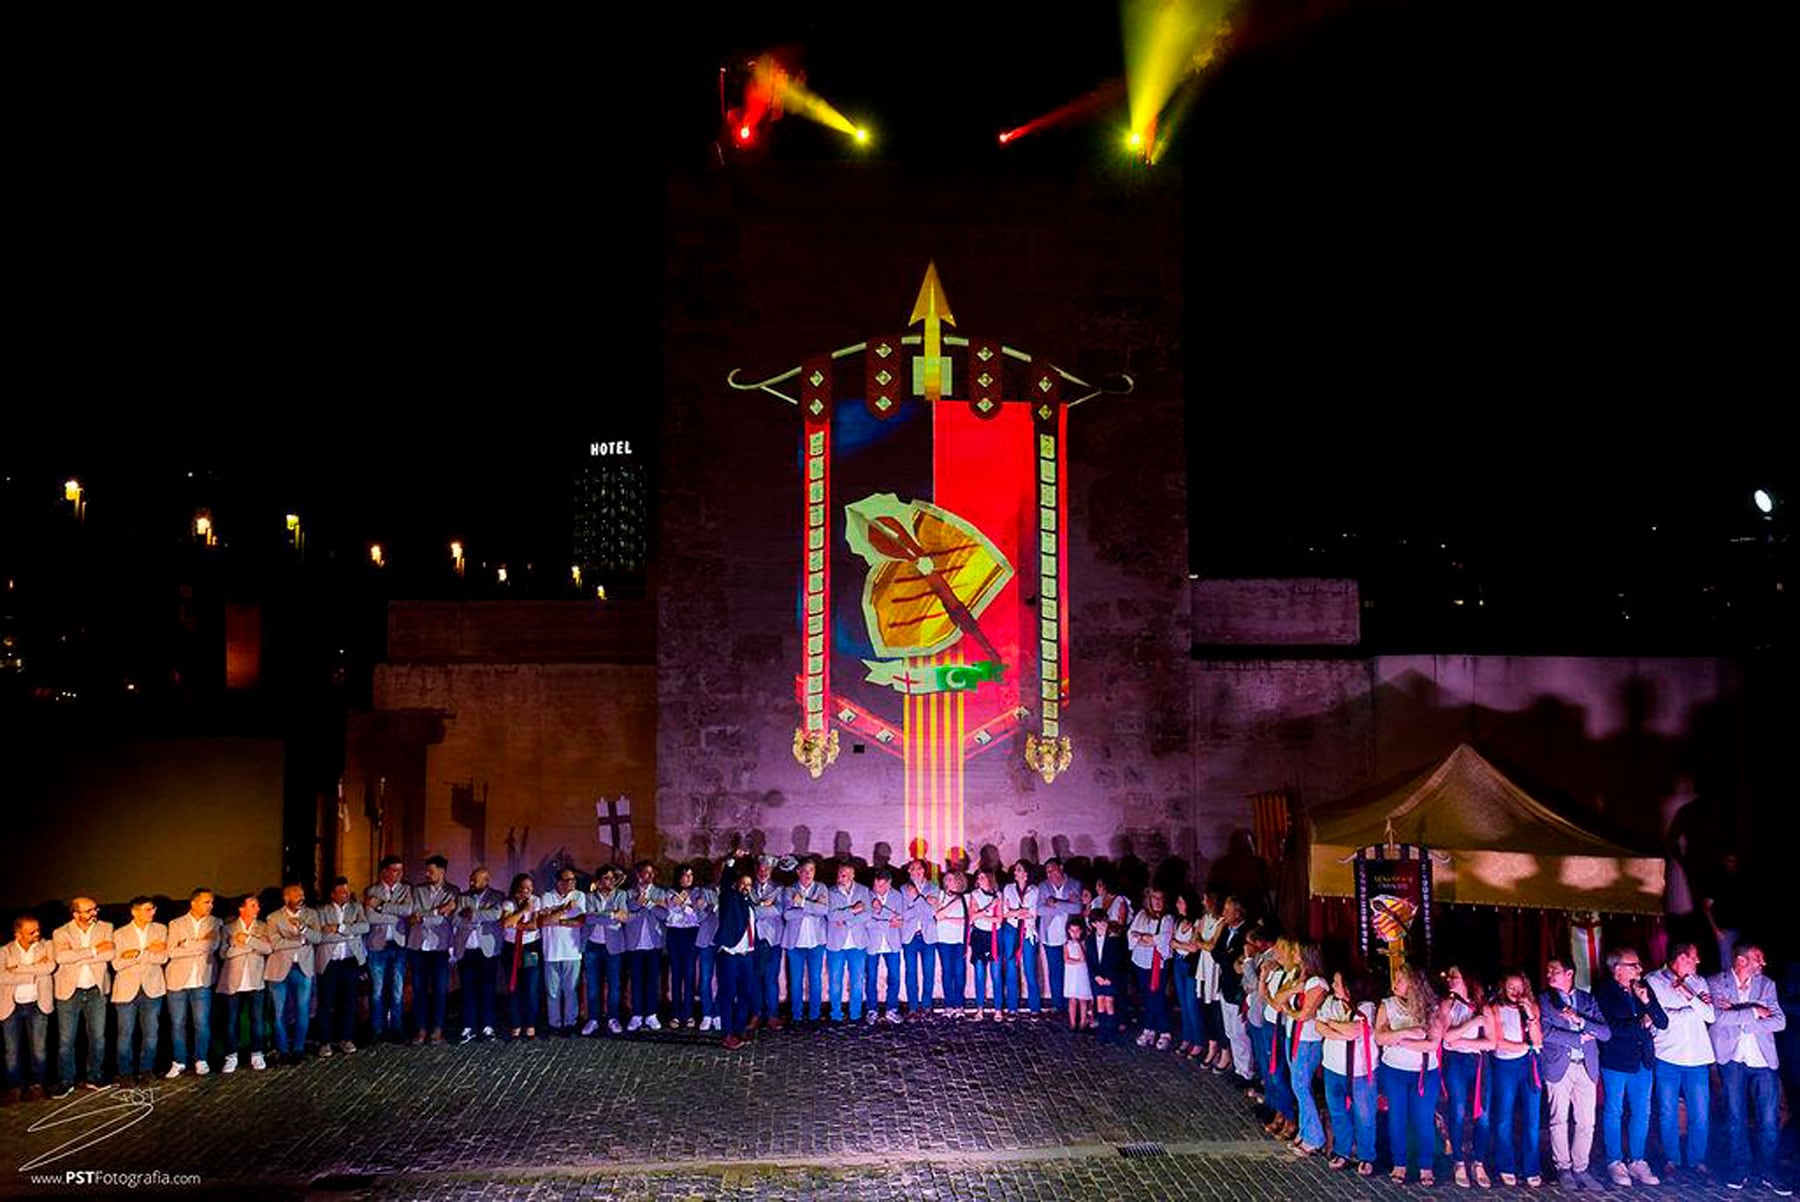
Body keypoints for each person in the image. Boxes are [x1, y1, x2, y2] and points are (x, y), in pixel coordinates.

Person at [1707, 943, 1789, 1194]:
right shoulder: (1716, 982)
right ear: (1741, 961)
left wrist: (1739, 1018)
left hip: (1763, 1060)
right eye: (1758, 959)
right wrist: (1754, 1011)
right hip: (1731, 1059)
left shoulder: (1767, 985)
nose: (1763, 964)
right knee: (1735, 1117)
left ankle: (1769, 1171)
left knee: (1769, 1120)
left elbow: (1780, 1021)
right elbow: (1718, 1019)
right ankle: (1739, 1168)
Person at [1593, 946, 1667, 1188]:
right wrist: (1642, 1023)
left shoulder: (1643, 988)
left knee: (1642, 1112)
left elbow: (1662, 1021)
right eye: (1633, 965)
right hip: (1616, 1061)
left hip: (1643, 1060)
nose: (1640, 969)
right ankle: (1614, 1161)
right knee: (1614, 1111)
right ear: (1617, 969)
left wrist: (1646, 1001)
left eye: (1639, 965)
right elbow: (1611, 1029)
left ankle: (1637, 1160)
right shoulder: (1604, 991)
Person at [1645, 941, 1716, 1182]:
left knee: (1701, 1113)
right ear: (1681, 957)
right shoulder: (1653, 981)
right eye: (1694, 957)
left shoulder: (1698, 982)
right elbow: (1659, 1018)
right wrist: (1693, 1006)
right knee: (1667, 1112)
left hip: (1698, 1057)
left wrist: (1687, 995)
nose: (1698, 961)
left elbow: (1710, 1016)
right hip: (1667, 1055)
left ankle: (1697, 1161)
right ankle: (1672, 1160)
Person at [1540, 957, 1611, 1192]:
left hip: (1586, 1066)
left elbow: (1604, 1032)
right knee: (1559, 1119)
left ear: (1569, 973)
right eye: (1549, 970)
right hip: (1559, 1065)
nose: (1550, 974)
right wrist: (1579, 1038)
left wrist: (1579, 1020)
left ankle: (1581, 1168)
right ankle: (1563, 1168)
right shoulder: (1544, 1000)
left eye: (1555, 970)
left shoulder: (1586, 999)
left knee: (1586, 1121)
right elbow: (1545, 1032)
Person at [1375, 963, 1444, 1186]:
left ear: (1414, 985)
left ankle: (1426, 1166)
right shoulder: (1387, 1005)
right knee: (1397, 1117)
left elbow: (1432, 1044)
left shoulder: (1431, 1009)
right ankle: (1400, 1164)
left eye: (1400, 980)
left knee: (1424, 1119)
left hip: (1424, 1072)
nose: (1395, 984)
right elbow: (1379, 1037)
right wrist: (1407, 1033)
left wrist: (1398, 1040)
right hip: (1395, 1070)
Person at [1316, 968, 1379, 1176]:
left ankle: (1366, 1156)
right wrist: (1341, 1030)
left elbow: (1356, 1031)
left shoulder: (1366, 1007)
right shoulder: (1330, 1003)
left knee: (1365, 1115)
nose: (1333, 986)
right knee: (1337, 1112)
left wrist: (1333, 1025)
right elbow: (1319, 1027)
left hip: (1360, 1071)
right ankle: (1342, 1150)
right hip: (1333, 1067)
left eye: (1337, 983)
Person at [1487, 968, 1545, 1187]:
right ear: (1503, 987)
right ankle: (1506, 1165)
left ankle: (1531, 1167)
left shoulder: (1532, 1006)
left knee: (1532, 1118)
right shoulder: (1495, 1008)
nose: (1515, 991)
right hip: (1505, 1064)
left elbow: (1538, 1040)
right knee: (1504, 1117)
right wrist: (1526, 1045)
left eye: (1519, 987)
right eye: (1511, 987)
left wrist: (1531, 1016)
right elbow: (1498, 1041)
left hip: (1530, 1063)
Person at [1439, 965, 1495, 1189]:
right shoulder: (1447, 1005)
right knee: (1458, 1111)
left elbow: (1491, 1042)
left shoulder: (1484, 1007)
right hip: (1455, 1062)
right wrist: (1472, 1024)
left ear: (1467, 979)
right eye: (1449, 976)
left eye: (1455, 976)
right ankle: (1459, 1162)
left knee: (1483, 1113)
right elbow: (1447, 1036)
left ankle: (1479, 1162)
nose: (1451, 980)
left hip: (1479, 1062)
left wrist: (1464, 1041)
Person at [51, 895, 114, 1095]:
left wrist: (76, 954)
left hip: (96, 991)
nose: (94, 913)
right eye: (89, 910)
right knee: (66, 1040)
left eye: (95, 908)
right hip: (69, 993)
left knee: (98, 1037)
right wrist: (95, 950)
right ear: (75, 914)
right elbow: (61, 957)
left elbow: (110, 954)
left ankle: (94, 1077)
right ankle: (66, 1081)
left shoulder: (106, 927)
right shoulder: (60, 932)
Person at [109, 896, 168, 1087]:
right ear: (134, 911)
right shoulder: (120, 934)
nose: (152, 913)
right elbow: (117, 964)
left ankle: (146, 1070)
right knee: (125, 1034)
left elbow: (163, 958)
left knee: (151, 1033)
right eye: (147, 909)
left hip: (152, 988)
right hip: (126, 991)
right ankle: (124, 1073)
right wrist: (147, 952)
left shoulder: (161, 929)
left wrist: (136, 953)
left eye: (153, 909)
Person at [1278, 941, 1331, 1157]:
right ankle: (1304, 1129)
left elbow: (1305, 1014)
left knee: (1301, 1085)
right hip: (1293, 1035)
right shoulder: (1300, 977)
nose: (1294, 954)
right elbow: (1279, 999)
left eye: (1298, 951)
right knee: (1298, 1085)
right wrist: (1293, 990)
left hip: (1308, 1040)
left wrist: (1289, 1009)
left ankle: (1315, 1137)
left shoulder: (1318, 983)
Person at [164, 887, 221, 1077]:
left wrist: (187, 943)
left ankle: (201, 1059)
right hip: (177, 981)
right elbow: (171, 952)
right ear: (193, 903)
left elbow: (212, 946)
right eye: (207, 902)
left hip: (202, 979)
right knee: (177, 1023)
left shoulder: (215, 923)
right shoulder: (176, 923)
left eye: (212, 902)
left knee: (202, 1023)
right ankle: (179, 1061)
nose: (210, 905)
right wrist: (198, 944)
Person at [264, 882, 320, 1064]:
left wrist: (303, 930)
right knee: (279, 1011)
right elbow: (275, 944)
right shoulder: (273, 918)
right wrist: (301, 941)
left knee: (302, 1009)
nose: (301, 898)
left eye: (302, 894)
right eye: (297, 895)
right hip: (279, 969)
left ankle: (298, 1048)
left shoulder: (311, 915)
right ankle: (282, 1050)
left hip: (303, 968)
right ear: (286, 898)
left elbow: (318, 937)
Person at [216, 893, 272, 1073]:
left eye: (257, 905)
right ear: (242, 908)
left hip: (256, 980)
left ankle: (257, 1053)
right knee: (231, 1020)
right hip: (233, 980)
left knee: (257, 1019)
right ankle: (231, 1056)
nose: (258, 908)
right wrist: (244, 947)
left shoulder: (263, 926)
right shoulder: (228, 928)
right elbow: (224, 953)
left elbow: (268, 948)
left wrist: (246, 940)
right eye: (253, 905)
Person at [1, 916, 54, 1102]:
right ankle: (15, 1087)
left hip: (38, 1004)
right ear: (18, 933)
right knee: (11, 1051)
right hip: (11, 1006)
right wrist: (33, 972)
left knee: (39, 1049)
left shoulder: (47, 946)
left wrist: (18, 969)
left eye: (38, 929)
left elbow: (49, 967)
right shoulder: (4, 951)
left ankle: (37, 1086)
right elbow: (2, 977)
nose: (37, 934)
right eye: (32, 932)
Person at [407, 854, 459, 1044]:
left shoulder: (453, 892)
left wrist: (425, 916)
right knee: (419, 989)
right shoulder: (417, 890)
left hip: (440, 947)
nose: (427, 874)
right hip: (418, 946)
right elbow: (412, 916)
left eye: (431, 871)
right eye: (426, 871)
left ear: (442, 872)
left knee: (440, 989)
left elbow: (448, 918)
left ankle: (437, 1029)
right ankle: (420, 1029)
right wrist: (437, 911)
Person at [313, 877, 368, 1055]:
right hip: (330, 963)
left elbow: (365, 927)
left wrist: (339, 928)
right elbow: (321, 936)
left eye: (347, 891)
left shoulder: (356, 907)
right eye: (342, 891)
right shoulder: (321, 911)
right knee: (326, 1002)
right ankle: (325, 1041)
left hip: (350, 961)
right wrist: (351, 934)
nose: (347, 894)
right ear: (333, 894)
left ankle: (346, 1038)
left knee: (349, 1002)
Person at [363, 855, 414, 1044]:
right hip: (378, 946)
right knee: (376, 989)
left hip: (399, 944)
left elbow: (408, 910)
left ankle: (397, 1029)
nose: (399, 874)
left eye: (401, 870)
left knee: (397, 989)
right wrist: (395, 915)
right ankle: (377, 1029)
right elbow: (370, 917)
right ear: (384, 872)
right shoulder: (371, 890)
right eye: (395, 870)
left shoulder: (406, 889)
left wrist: (382, 906)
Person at [453, 866, 505, 1042]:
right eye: (471, 879)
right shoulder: (462, 897)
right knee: (467, 990)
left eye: (475, 880)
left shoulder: (496, 896)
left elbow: (496, 914)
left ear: (486, 881)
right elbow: (455, 919)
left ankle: (488, 1026)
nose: (471, 883)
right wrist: (475, 920)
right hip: (466, 950)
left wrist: (473, 915)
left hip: (487, 950)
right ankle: (468, 1027)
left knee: (488, 990)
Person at [580, 865, 628, 1037]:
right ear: (599, 881)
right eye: (606, 878)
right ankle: (593, 1019)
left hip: (613, 946)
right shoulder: (589, 896)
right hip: (592, 945)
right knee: (593, 985)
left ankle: (613, 1018)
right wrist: (611, 914)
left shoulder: (621, 895)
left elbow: (624, 916)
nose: (610, 881)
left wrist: (605, 914)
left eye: (612, 878)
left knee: (614, 985)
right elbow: (589, 917)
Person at [714, 862, 758, 1050]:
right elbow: (725, 883)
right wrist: (732, 862)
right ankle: (727, 1033)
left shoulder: (749, 903)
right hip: (730, 955)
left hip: (746, 954)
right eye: (742, 884)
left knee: (746, 993)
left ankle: (739, 1030)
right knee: (728, 994)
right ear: (735, 885)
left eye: (749, 885)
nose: (746, 888)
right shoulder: (729, 898)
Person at [782, 858, 828, 1025]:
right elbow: (787, 915)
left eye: (811, 870)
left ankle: (815, 1015)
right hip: (795, 944)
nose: (808, 874)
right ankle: (796, 1015)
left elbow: (824, 910)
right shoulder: (789, 890)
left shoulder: (821, 888)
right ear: (798, 872)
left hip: (816, 942)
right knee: (796, 980)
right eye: (805, 870)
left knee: (815, 979)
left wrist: (801, 903)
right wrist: (812, 907)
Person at [1128, 888, 1175, 1049]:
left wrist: (1143, 938)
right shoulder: (1141, 915)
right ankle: (1150, 1029)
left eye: (1160, 898)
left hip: (1158, 965)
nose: (1157, 901)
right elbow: (1131, 934)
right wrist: (1145, 939)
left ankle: (1164, 1031)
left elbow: (1162, 939)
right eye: (1154, 898)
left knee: (1158, 996)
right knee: (1147, 997)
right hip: (1141, 962)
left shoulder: (1167, 918)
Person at [825, 862, 872, 1024]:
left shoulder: (863, 890)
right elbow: (830, 915)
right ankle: (836, 1014)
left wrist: (846, 921)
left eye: (843, 875)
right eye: (839, 874)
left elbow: (868, 915)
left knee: (857, 981)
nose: (840, 878)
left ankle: (855, 1014)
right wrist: (853, 910)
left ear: (852, 876)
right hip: (836, 944)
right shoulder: (830, 892)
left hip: (857, 944)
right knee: (835, 980)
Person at [623, 861, 667, 1031]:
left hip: (654, 944)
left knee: (652, 981)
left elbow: (664, 914)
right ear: (638, 875)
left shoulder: (660, 893)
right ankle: (636, 1014)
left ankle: (651, 1014)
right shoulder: (628, 893)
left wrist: (648, 903)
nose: (647, 877)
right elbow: (626, 911)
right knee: (636, 980)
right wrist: (637, 902)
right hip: (634, 944)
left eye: (650, 873)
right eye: (644, 873)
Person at [500, 872, 543, 1039]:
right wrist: (523, 911)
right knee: (513, 988)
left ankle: (531, 1024)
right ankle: (516, 1023)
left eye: (530, 888)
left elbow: (534, 925)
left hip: (530, 948)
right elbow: (505, 923)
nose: (527, 891)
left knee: (531, 987)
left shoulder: (536, 901)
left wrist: (516, 923)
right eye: (524, 888)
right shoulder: (508, 902)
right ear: (516, 888)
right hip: (511, 949)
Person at [1215, 899, 1253, 1086]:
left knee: (1240, 1032)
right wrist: (1226, 957)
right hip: (1225, 985)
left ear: (1238, 913)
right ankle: (1238, 1068)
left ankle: (1246, 1072)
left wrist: (1227, 957)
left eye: (1228, 910)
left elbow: (1233, 959)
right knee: (1230, 1031)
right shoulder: (1225, 930)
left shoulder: (1246, 932)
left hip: (1238, 988)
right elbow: (1216, 953)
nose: (1224, 913)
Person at [662, 863, 704, 1029]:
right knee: (676, 974)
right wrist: (686, 906)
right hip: (674, 934)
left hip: (691, 934)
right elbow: (668, 915)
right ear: (678, 876)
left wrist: (687, 906)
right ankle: (676, 1013)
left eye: (691, 875)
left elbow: (698, 915)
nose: (689, 878)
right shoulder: (669, 893)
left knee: (689, 973)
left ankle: (689, 1013)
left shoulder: (697, 892)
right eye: (686, 875)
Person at [1037, 858, 1082, 1013]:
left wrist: (1055, 902)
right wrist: (1065, 905)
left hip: (1070, 937)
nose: (1050, 874)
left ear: (1061, 868)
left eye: (1053, 870)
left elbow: (1077, 908)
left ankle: (1071, 1004)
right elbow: (1040, 910)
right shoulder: (1043, 886)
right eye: (1047, 872)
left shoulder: (1074, 884)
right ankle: (1058, 1004)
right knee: (1054, 971)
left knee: (1071, 970)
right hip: (1050, 935)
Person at [748, 856, 786, 1030]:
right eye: (760, 869)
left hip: (772, 940)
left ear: (771, 870)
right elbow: (744, 909)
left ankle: (772, 1015)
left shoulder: (779, 888)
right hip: (752, 940)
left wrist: (756, 907)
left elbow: (779, 910)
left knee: (771, 979)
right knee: (754, 979)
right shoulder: (747, 887)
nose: (763, 872)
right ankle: (756, 1014)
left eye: (766, 869)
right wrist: (764, 905)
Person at [863, 868, 905, 1024]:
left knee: (894, 977)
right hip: (872, 943)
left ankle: (891, 1010)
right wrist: (888, 920)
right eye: (875, 885)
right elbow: (866, 920)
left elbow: (900, 917)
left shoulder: (897, 896)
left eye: (880, 886)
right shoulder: (867, 895)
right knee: (871, 978)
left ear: (889, 884)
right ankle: (872, 1010)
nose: (877, 889)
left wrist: (879, 913)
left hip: (892, 943)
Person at [1001, 860, 1041, 1018]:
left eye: (1018, 869)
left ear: (1026, 873)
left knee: (1030, 970)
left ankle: (1035, 1008)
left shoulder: (1034, 890)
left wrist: (1014, 910)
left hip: (1028, 931)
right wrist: (1019, 911)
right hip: (1011, 930)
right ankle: (1012, 1007)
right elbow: (1004, 912)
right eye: (1015, 869)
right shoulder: (1008, 888)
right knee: (1011, 968)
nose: (1015, 872)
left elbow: (1032, 913)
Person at [1194, 891, 1228, 1070]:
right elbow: (1196, 939)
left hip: (1215, 968)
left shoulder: (1221, 922)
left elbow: (1212, 945)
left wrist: (1202, 943)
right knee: (1206, 1009)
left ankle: (1224, 1050)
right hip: (1204, 968)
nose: (1203, 901)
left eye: (1206, 898)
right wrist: (1202, 943)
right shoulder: (1204, 918)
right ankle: (1212, 1045)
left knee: (1217, 1011)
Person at [1170, 891, 1205, 1057]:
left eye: (1181, 902)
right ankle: (1187, 1037)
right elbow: (1171, 943)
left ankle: (1198, 1041)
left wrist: (1179, 944)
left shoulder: (1197, 922)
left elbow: (1194, 947)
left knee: (1192, 1004)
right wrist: (1181, 945)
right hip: (1178, 963)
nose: (1178, 905)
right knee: (1183, 1003)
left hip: (1190, 966)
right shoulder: (1179, 922)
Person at [932, 871, 971, 1018]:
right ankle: (949, 1005)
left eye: (952, 879)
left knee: (960, 971)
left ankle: (959, 1005)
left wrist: (947, 918)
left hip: (960, 940)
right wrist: (954, 904)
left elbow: (967, 921)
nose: (949, 882)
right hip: (943, 940)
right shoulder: (940, 895)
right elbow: (937, 915)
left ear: (959, 882)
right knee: (947, 971)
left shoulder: (966, 897)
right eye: (947, 879)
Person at [1089, 903, 1129, 1044]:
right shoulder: (1090, 940)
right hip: (1098, 977)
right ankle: (1102, 1032)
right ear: (1094, 924)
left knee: (1109, 1003)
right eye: (1099, 922)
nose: (1103, 924)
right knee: (1100, 1003)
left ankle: (1111, 1033)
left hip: (1110, 977)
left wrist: (1110, 977)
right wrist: (1096, 976)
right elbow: (1091, 960)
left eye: (1104, 921)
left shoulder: (1114, 938)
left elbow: (1118, 960)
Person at [967, 869, 1004, 1020]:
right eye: (979, 877)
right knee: (979, 974)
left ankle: (998, 1009)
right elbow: (972, 917)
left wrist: (982, 915)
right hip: (979, 936)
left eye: (984, 877)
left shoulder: (998, 895)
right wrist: (988, 909)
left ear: (990, 879)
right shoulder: (974, 895)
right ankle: (980, 1009)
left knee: (996, 975)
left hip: (994, 936)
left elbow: (999, 920)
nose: (980, 880)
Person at [693, 864, 721, 1032]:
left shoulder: (732, 891)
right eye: (719, 871)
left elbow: (728, 915)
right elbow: (700, 916)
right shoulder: (704, 891)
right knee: (705, 979)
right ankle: (707, 1014)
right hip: (706, 941)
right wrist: (705, 908)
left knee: (722, 980)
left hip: (724, 943)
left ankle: (718, 1014)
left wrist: (711, 907)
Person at [1061, 916, 1093, 1030]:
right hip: (1071, 974)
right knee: (1072, 999)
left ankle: (1083, 1022)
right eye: (1072, 931)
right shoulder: (1066, 944)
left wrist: (1078, 944)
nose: (1074, 934)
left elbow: (1083, 958)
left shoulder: (1083, 943)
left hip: (1082, 973)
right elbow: (1066, 959)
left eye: (1077, 931)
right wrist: (1078, 961)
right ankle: (1072, 1023)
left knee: (1082, 999)